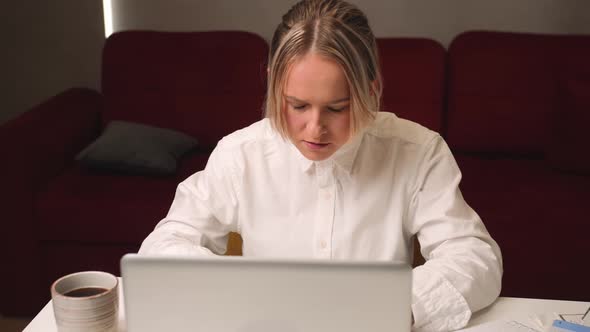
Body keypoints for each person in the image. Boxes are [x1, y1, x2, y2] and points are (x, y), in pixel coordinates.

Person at [139, 0, 503, 331]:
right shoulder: (241, 154)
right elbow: (165, 245)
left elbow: (475, 258)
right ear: (273, 83)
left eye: (336, 108)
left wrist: (393, 309)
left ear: (370, 89)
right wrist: (236, 292)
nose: (314, 129)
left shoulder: (418, 151)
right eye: (297, 105)